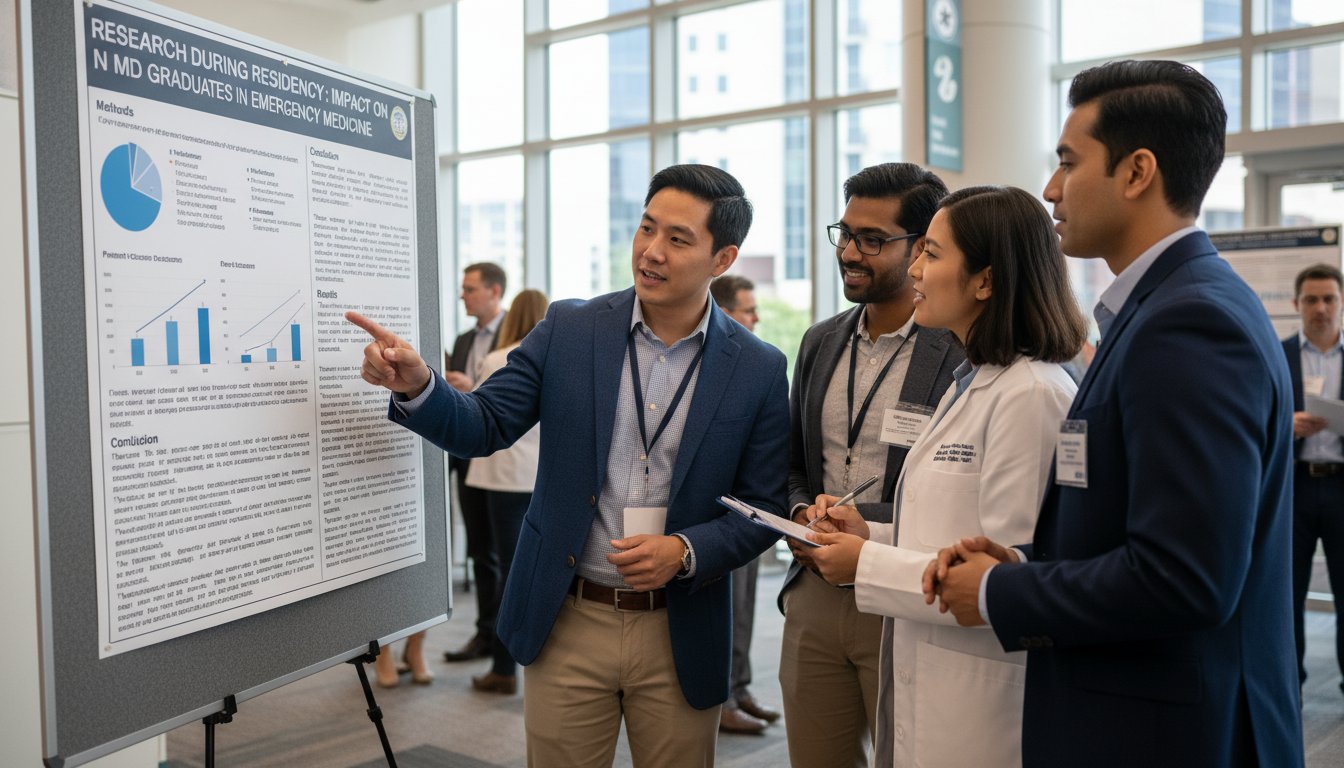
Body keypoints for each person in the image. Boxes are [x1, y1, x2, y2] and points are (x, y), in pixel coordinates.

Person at [347, 164, 789, 768]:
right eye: (645, 228)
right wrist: (420, 385)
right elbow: (484, 423)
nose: (651, 252)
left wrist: (685, 550)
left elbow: (762, 507)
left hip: (681, 625)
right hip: (568, 613)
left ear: (723, 258)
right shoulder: (573, 328)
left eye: (678, 239)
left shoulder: (758, 367)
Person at [927, 60, 1303, 766]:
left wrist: (1005, 590)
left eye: (1068, 162)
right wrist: (1024, 561)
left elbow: (1186, 577)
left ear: (1136, 173)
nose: (1050, 189)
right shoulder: (1168, 306)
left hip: (1169, 733)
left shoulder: (1188, 322)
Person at [804, 185, 1084, 768]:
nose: (914, 269)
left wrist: (866, 565)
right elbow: (948, 531)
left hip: (982, 698)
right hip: (930, 668)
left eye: (930, 253)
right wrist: (869, 534)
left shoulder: (1031, 394)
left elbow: (1010, 574)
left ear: (984, 280)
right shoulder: (977, 380)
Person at [777, 162, 962, 767]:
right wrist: (805, 510)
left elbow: (950, 490)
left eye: (873, 240)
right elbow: (796, 463)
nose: (851, 252)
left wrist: (858, 524)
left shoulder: (958, 349)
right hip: (813, 594)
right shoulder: (820, 340)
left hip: (903, 589)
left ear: (919, 248)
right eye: (846, 233)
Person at [464, 289, 549, 695]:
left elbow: (479, 417)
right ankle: (512, 660)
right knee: (524, 569)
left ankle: (502, 665)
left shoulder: (500, 359)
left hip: (497, 479)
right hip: (535, 479)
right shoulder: (557, 359)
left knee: (500, 569)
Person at [707, 273, 775, 733]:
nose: (756, 318)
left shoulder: (758, 365)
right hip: (714, 517)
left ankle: (741, 686)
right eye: (749, 310)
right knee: (725, 608)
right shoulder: (708, 366)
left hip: (751, 509)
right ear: (727, 312)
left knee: (746, 603)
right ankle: (723, 695)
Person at [443, 262, 507, 663]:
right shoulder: (463, 339)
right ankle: (484, 633)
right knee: (480, 551)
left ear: (494, 291)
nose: (463, 295)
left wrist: (474, 389)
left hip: (503, 461)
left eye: (470, 288)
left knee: (504, 554)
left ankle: (502, 641)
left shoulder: (519, 334)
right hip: (465, 458)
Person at [1285, 263, 1344, 692]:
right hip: (1294, 487)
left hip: (1343, 488)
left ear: (1341, 304)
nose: (1320, 308)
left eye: (1329, 299)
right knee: (1286, 595)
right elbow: (1254, 417)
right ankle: (1288, 683)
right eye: (1311, 299)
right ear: (1296, 304)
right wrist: (1285, 424)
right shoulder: (1276, 353)